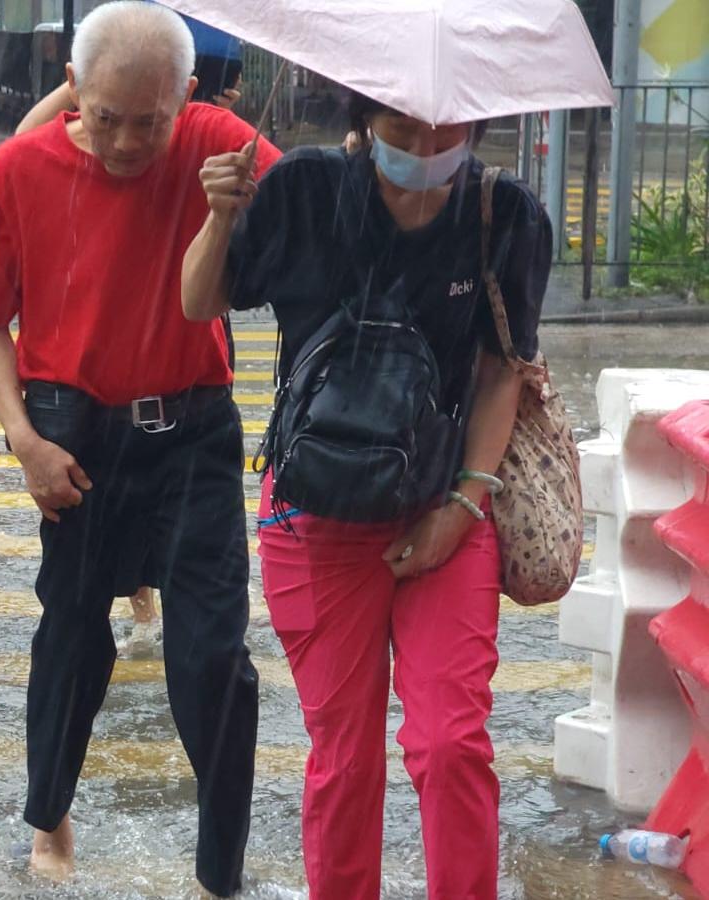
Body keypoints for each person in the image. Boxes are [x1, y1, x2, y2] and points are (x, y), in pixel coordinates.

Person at [181, 91, 552, 898]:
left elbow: (500, 373)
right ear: (362, 125)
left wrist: (462, 510)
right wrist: (216, 219)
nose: (425, 144)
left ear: (477, 126)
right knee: (344, 756)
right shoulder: (305, 192)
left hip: (445, 503)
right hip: (313, 515)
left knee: (450, 741)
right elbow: (199, 302)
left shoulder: (503, 213)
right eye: (401, 127)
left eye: (448, 127)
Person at [0, 2, 279, 891]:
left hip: (195, 427)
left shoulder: (216, 141)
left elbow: (304, 220)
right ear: (73, 88)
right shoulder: (21, 169)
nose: (129, 142)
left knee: (212, 653)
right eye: (106, 119)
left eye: (150, 122)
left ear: (188, 98)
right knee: (71, 634)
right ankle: (50, 820)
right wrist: (24, 440)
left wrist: (241, 205)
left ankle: (221, 869)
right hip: (76, 431)